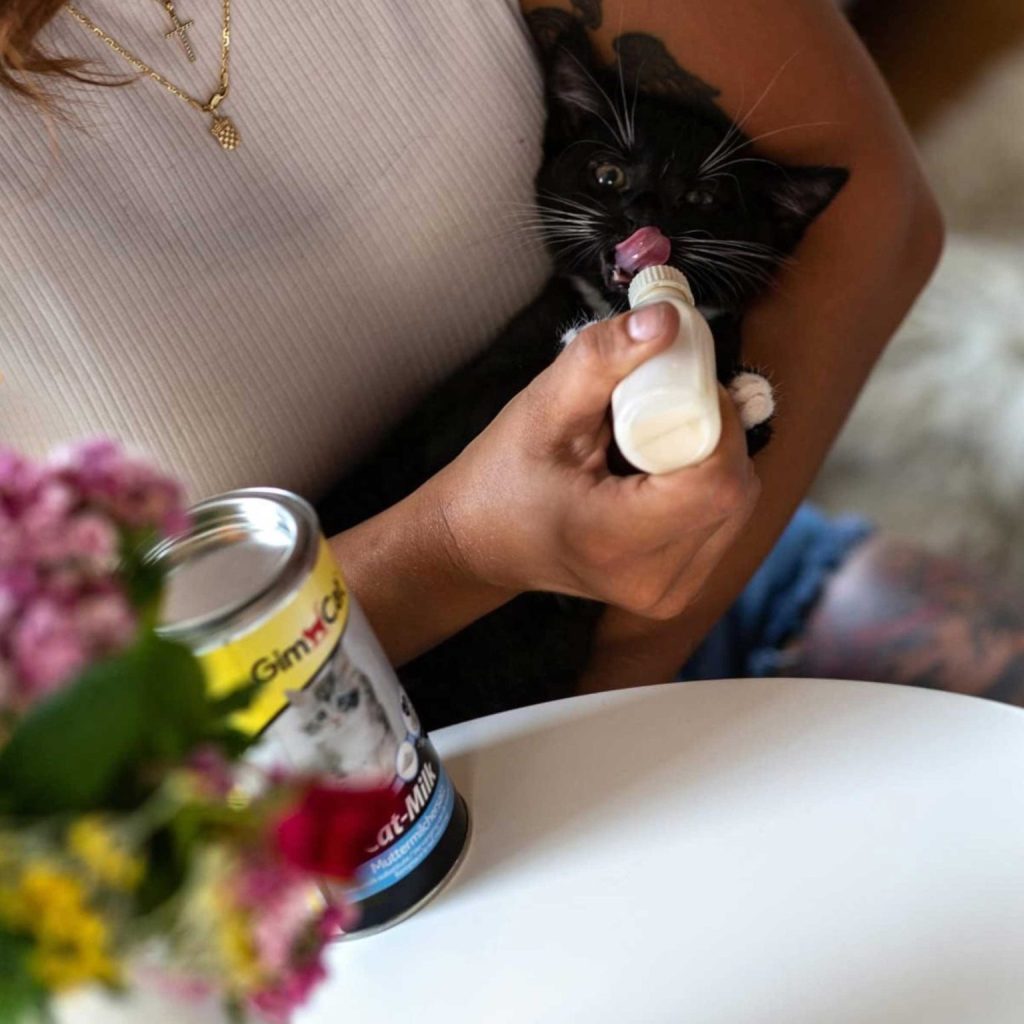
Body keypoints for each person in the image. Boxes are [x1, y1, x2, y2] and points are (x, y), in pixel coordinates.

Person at [5, 0, 980, 716]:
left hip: (719, 571)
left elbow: (871, 215)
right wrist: (456, 554)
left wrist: (623, 670)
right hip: (316, 794)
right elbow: (59, 748)